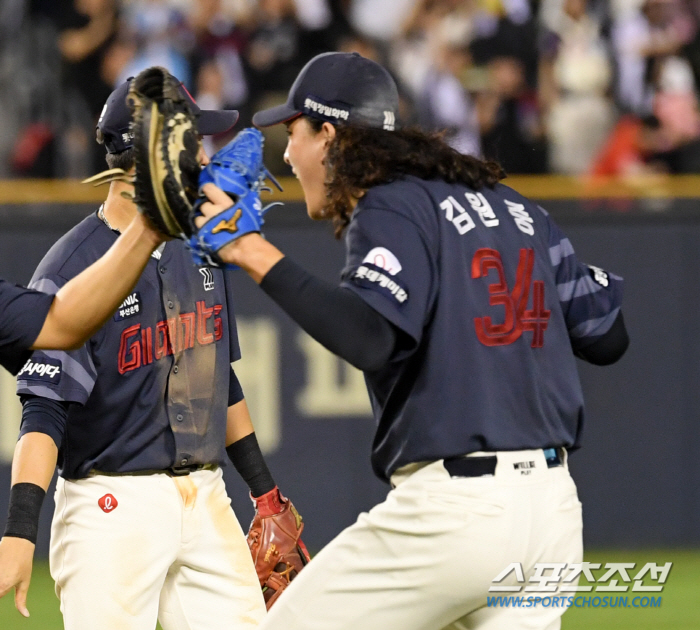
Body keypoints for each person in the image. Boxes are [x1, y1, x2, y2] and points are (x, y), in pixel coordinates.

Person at [194, 52, 629, 629]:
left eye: (293, 133)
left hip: (459, 515)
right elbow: (607, 335)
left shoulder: (392, 202)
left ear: (328, 134)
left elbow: (373, 338)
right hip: (552, 519)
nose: (288, 154)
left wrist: (246, 249)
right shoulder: (515, 208)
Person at [0, 76, 288, 629]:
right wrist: (19, 530)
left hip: (204, 495)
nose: (205, 155)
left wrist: (266, 493)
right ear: (154, 156)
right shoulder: (71, 269)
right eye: (191, 141)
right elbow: (43, 412)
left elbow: (219, 379)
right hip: (112, 508)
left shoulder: (200, 245)